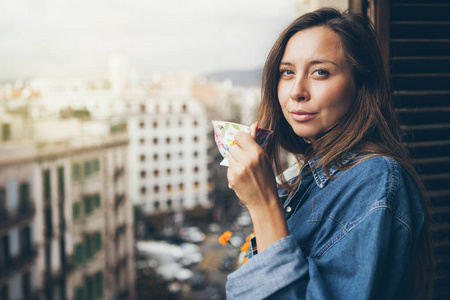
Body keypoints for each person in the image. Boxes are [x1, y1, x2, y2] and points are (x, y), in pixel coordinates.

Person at [225, 7, 434, 300]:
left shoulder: (375, 179)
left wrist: (262, 205)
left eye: (320, 72)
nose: (297, 91)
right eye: (287, 72)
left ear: (361, 85)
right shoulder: (305, 175)